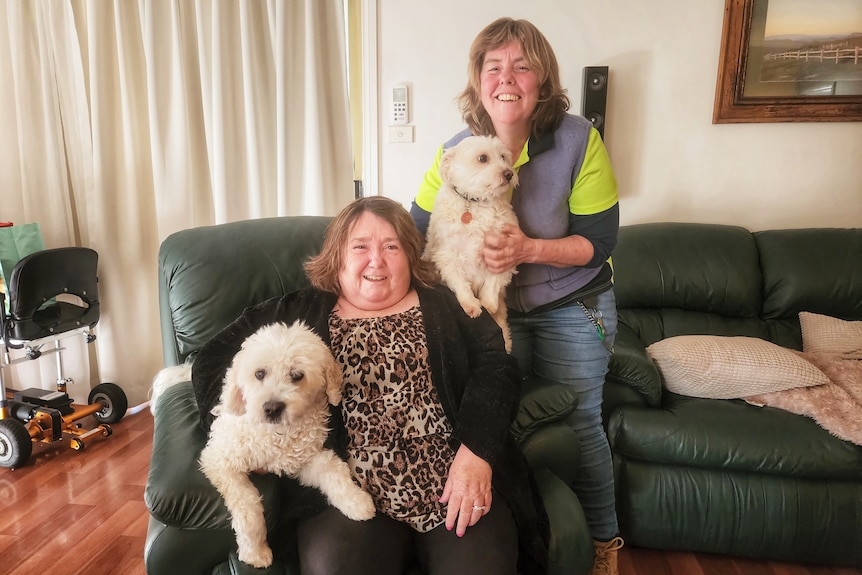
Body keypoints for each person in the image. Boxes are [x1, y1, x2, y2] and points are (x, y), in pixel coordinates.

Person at [191, 196, 549, 575]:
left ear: (410, 255)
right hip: (347, 495)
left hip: (454, 483)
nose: (376, 260)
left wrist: (477, 451)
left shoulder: (447, 305)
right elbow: (212, 360)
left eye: (391, 247)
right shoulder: (297, 311)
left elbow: (498, 367)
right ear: (337, 257)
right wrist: (249, 425)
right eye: (360, 247)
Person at [411, 17, 623, 575]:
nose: (507, 78)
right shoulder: (457, 151)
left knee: (580, 422)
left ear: (542, 79)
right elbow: (418, 227)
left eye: (522, 66)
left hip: (570, 307)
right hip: (488, 310)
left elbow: (599, 243)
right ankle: (518, 540)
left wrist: (528, 249)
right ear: (479, 82)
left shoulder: (579, 140)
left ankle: (603, 547)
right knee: (489, 422)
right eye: (493, 66)